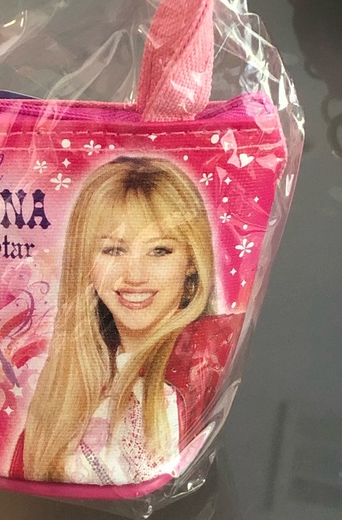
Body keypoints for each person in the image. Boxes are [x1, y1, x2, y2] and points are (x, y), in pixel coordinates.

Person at [17, 156, 217, 485]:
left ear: (192, 262)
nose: (134, 275)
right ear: (86, 262)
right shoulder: (66, 383)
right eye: (113, 251)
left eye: (160, 250)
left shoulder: (210, 355)